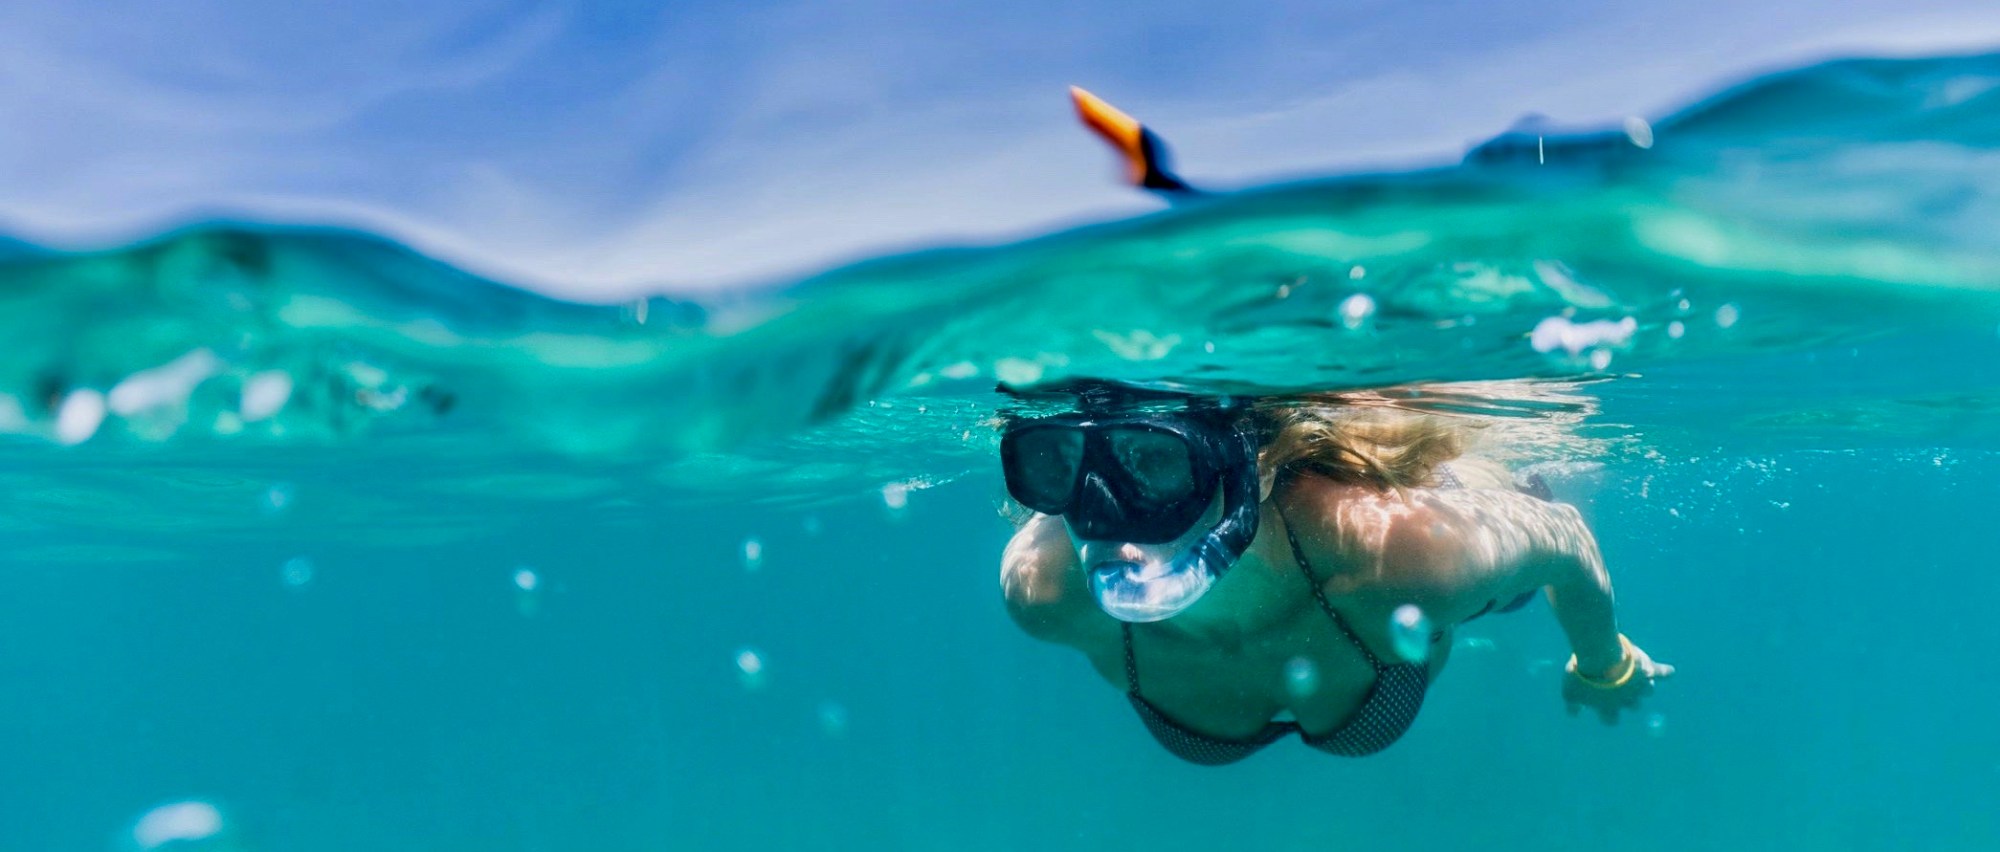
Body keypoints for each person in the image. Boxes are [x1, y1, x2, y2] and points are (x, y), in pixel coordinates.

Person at [998, 382, 1671, 764]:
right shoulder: (1044, 590)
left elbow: (1569, 538)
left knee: (1506, 560)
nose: (1104, 513)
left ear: (1254, 467)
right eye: (1056, 468)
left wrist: (1602, 662)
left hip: (1412, 513)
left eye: (1156, 463)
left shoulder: (1402, 555)